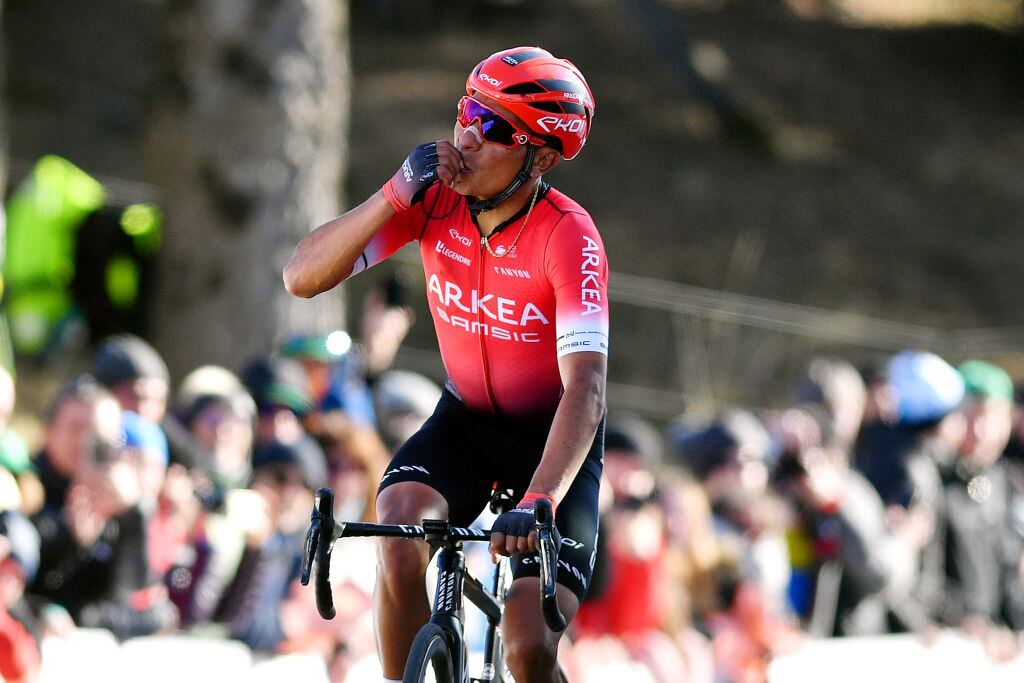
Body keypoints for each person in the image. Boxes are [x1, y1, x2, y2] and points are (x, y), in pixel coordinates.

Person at [284, 46, 605, 683]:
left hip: (552, 438)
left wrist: (540, 497)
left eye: (493, 128)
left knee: (527, 650)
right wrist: (391, 195)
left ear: (539, 156)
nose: (466, 136)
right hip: (465, 421)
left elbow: (587, 390)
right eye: (465, 112)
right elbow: (300, 277)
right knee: (399, 519)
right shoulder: (434, 203)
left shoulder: (568, 236)